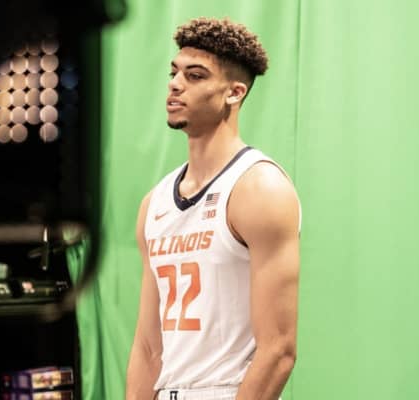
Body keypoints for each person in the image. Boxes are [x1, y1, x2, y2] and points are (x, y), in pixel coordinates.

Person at [126, 16, 301, 400]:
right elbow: (149, 347)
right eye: (174, 72)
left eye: (195, 76)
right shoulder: (154, 202)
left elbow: (278, 351)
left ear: (234, 93)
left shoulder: (259, 187)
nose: (175, 84)